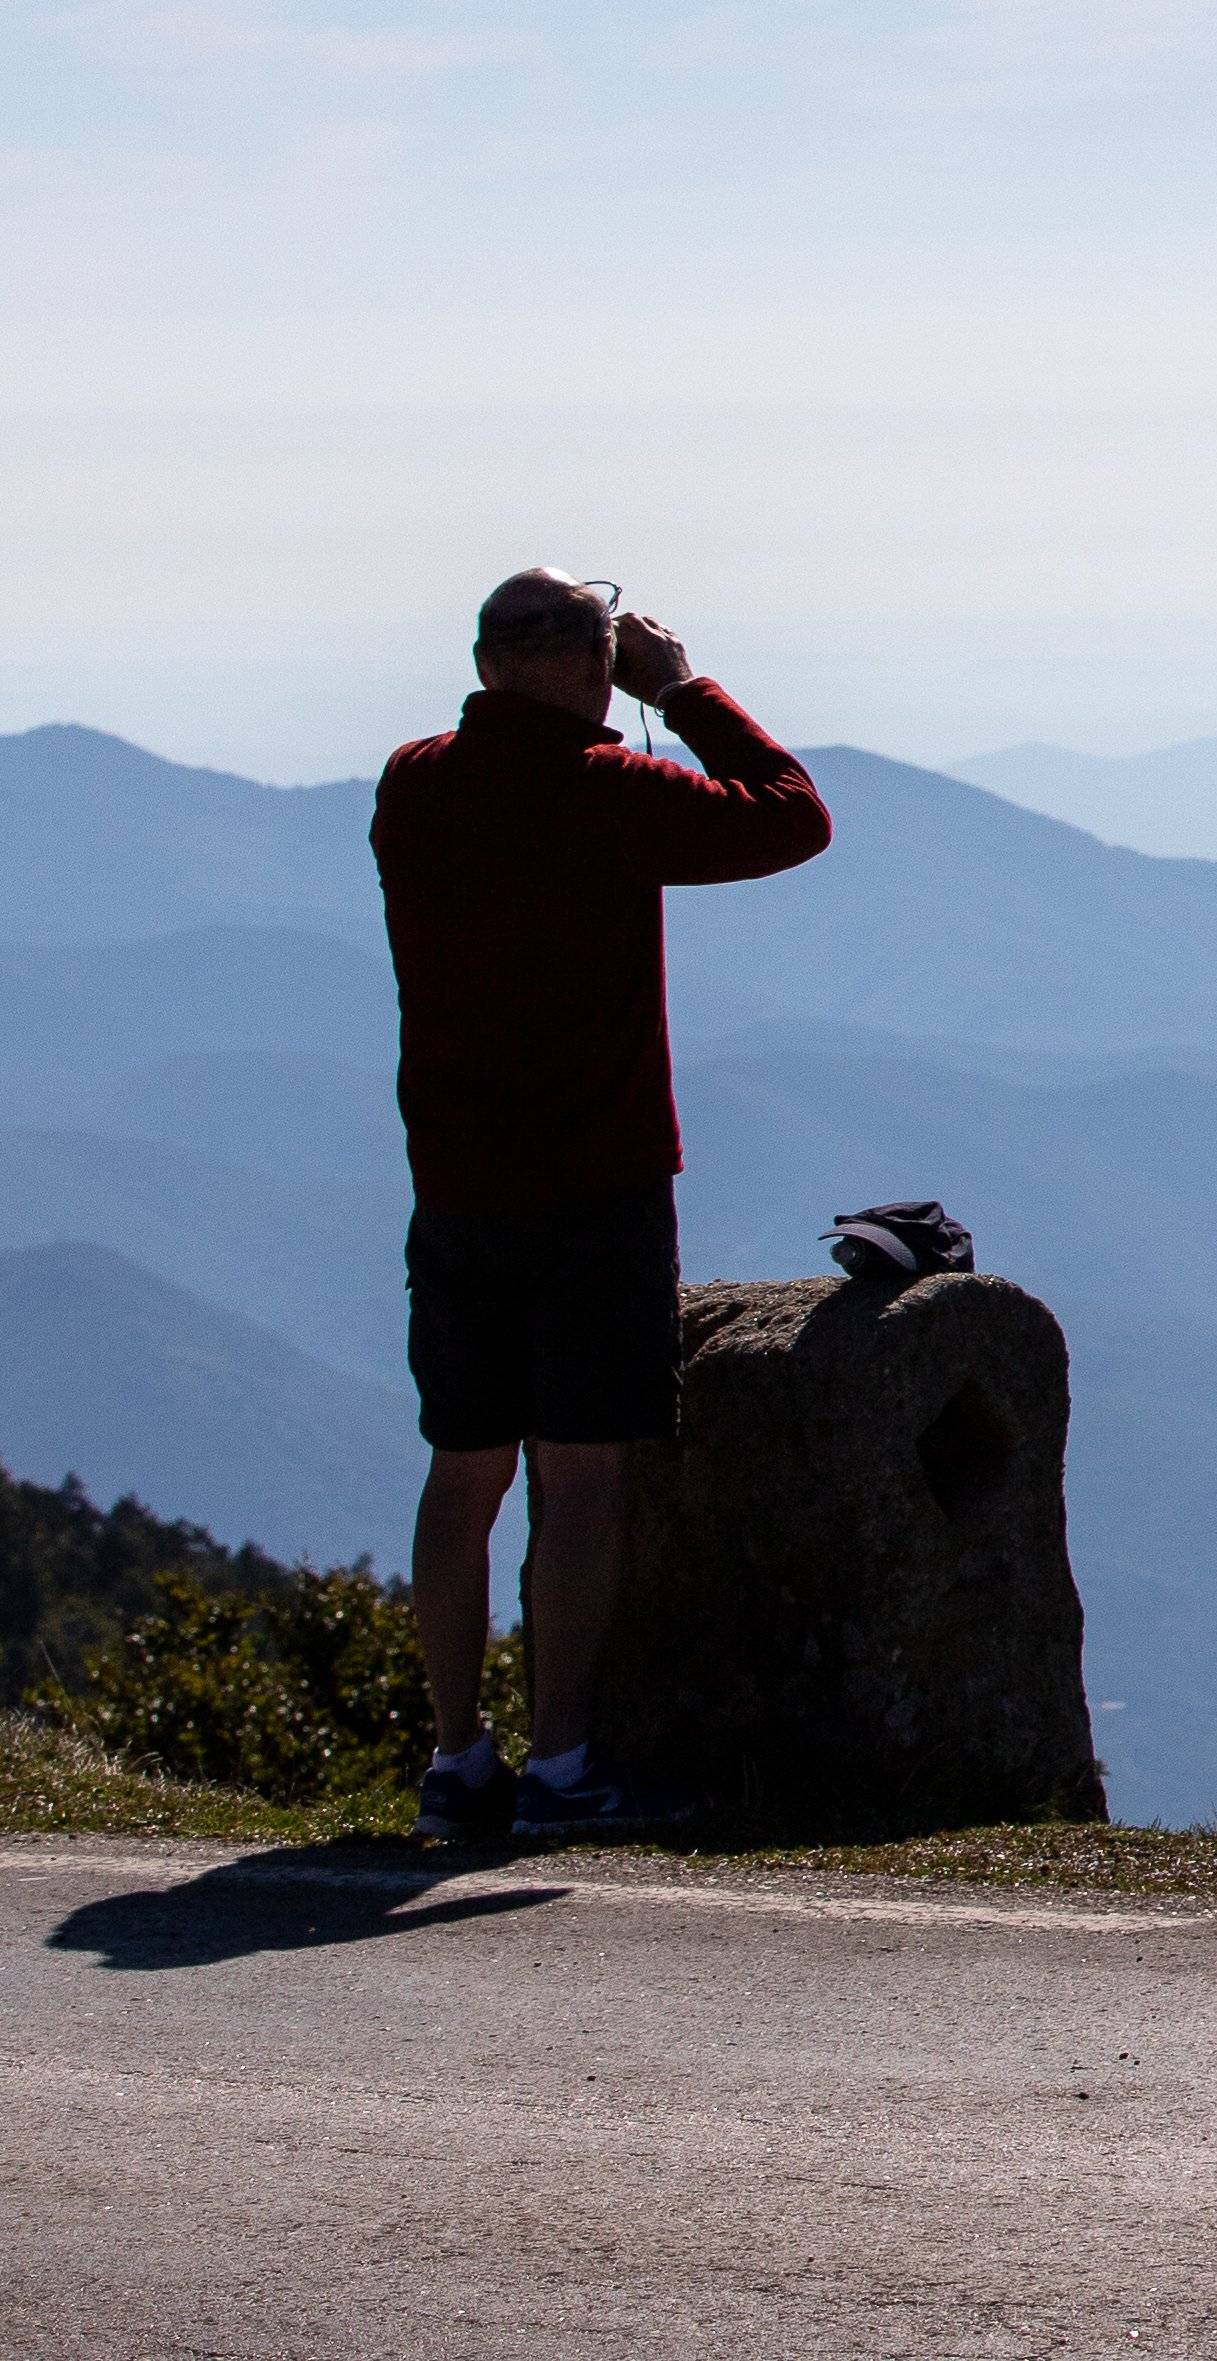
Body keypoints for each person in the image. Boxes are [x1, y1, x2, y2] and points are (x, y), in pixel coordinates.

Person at [375, 569, 833, 1844]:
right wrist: (681, 689)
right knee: (578, 1479)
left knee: (463, 1471)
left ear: (481, 663)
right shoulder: (610, 792)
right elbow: (793, 818)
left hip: (456, 1185)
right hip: (594, 1186)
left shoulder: (414, 784)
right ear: (593, 661)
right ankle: (563, 1767)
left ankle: (455, 1758)